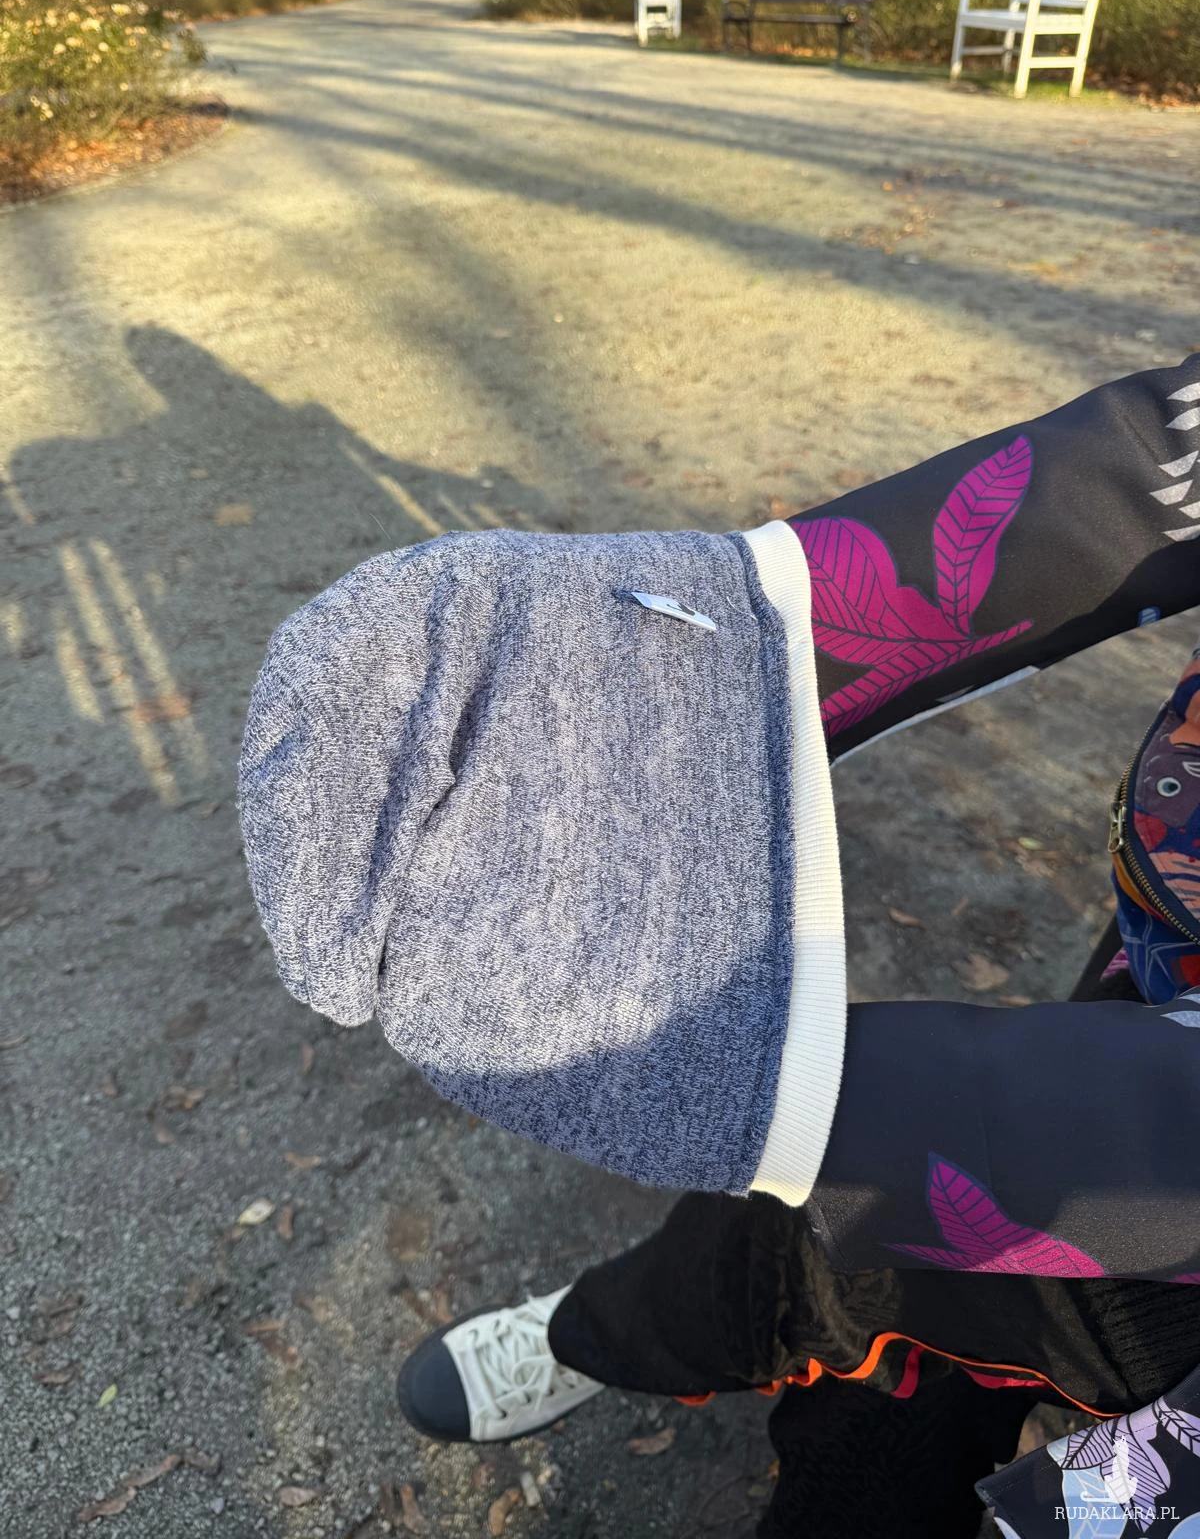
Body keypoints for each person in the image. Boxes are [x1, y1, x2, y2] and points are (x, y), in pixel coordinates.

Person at [240, 356, 1200, 1536]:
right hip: (1168, 958)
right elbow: (1146, 473)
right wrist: (757, 622)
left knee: (886, 1310)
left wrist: (807, 1103)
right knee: (800, 1253)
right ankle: (604, 1332)